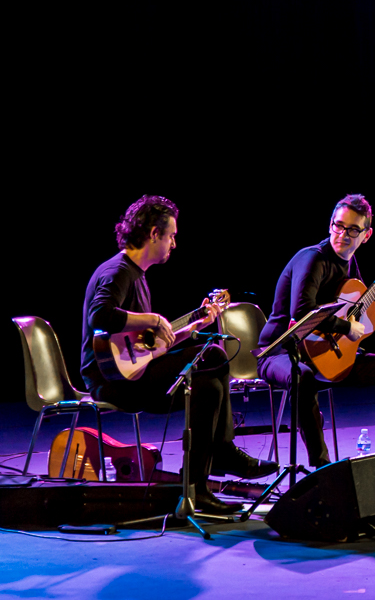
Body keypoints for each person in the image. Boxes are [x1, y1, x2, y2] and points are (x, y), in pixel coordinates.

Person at [81, 195, 277, 514]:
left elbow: (145, 348)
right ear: (154, 233)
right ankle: (217, 459)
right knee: (212, 356)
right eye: (171, 235)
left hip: (135, 374)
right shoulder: (118, 271)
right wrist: (153, 319)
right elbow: (99, 316)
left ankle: (197, 486)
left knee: (209, 380)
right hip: (112, 381)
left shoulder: (137, 276)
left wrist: (191, 327)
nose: (174, 243)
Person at [256, 193, 375, 468]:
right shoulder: (313, 259)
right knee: (301, 376)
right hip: (278, 353)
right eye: (338, 225)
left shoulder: (350, 264)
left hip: (324, 352)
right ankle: (322, 467)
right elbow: (302, 311)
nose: (343, 233)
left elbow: (364, 307)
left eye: (353, 229)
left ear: (366, 235)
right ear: (330, 224)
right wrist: (344, 326)